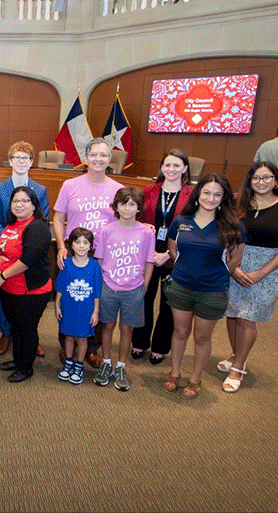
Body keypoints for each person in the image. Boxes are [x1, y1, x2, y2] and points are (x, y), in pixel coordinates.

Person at [162, 174, 245, 399]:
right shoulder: (181, 221)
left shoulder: (232, 225)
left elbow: (235, 261)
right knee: (180, 332)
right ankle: (175, 373)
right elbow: (173, 251)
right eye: (207, 192)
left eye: (217, 194)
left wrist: (213, 277)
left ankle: (195, 379)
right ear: (198, 195)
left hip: (212, 291)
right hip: (181, 286)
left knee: (201, 338)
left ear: (223, 198)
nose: (211, 198)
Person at [221, 163, 278, 392]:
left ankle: (238, 367)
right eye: (256, 178)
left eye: (267, 178)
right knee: (232, 313)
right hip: (237, 264)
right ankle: (235, 355)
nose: (261, 182)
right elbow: (228, 236)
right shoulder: (238, 204)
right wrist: (233, 268)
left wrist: (262, 272)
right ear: (249, 181)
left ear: (276, 180)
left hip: (270, 269)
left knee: (247, 316)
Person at [53, 138, 123, 368]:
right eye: (94, 155)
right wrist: (62, 247)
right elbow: (57, 217)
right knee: (70, 298)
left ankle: (92, 349)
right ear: (86, 158)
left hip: (103, 257)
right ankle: (67, 345)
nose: (98, 159)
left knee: (97, 301)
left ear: (109, 159)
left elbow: (126, 221)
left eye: (104, 155)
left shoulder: (117, 190)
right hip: (73, 255)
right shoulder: (70, 185)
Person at [131, 149, 193, 365]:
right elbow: (133, 217)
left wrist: (167, 254)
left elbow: (192, 228)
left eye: (177, 165)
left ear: (185, 168)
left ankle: (160, 347)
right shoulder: (148, 190)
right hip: (147, 255)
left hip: (176, 256)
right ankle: (139, 341)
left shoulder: (192, 195)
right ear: (162, 167)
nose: (171, 170)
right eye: (167, 165)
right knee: (144, 298)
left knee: (168, 304)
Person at [93, 187, 155, 391]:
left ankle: (121, 366)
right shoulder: (106, 230)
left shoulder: (146, 232)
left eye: (132, 204)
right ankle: (106, 362)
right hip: (109, 286)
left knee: (127, 328)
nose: (127, 208)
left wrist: (144, 287)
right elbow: (100, 259)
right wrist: (101, 285)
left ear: (139, 208)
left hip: (134, 288)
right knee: (107, 326)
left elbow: (148, 262)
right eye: (122, 203)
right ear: (116, 207)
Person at [0, 141, 50, 357]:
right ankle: (6, 334)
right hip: (6, 248)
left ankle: (29, 335)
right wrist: (7, 239)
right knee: (5, 291)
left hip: (29, 252)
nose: (21, 162)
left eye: (25, 158)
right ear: (10, 161)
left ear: (32, 162)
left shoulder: (41, 190)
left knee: (30, 297)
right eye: (17, 157)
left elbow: (42, 220)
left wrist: (25, 243)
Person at [0, 187, 52, 382]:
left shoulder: (37, 226)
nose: (19, 204)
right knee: (16, 328)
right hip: (9, 288)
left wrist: (3, 275)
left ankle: (26, 368)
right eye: (15, 201)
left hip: (30, 290)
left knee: (27, 329)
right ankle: (18, 361)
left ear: (34, 205)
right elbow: (0, 250)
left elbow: (28, 259)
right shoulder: (11, 226)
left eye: (25, 201)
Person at [55, 228, 102, 385]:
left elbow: (96, 291)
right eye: (77, 242)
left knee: (82, 338)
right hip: (68, 307)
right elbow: (60, 287)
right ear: (71, 245)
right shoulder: (66, 264)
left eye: (85, 242)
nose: (81, 246)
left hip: (86, 310)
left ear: (90, 246)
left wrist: (96, 312)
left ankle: (79, 365)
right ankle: (69, 362)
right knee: (68, 336)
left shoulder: (95, 266)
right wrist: (56, 305)